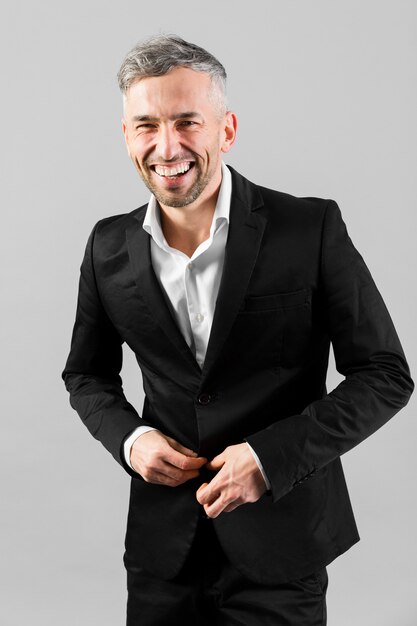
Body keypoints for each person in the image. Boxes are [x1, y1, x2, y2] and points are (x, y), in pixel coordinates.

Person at [63, 34, 413, 625]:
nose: (166, 145)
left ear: (226, 129)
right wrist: (130, 440)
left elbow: (385, 376)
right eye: (146, 125)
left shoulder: (310, 227)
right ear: (127, 137)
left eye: (186, 122)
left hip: (282, 545)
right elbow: (86, 375)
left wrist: (269, 458)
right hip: (162, 555)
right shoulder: (106, 246)